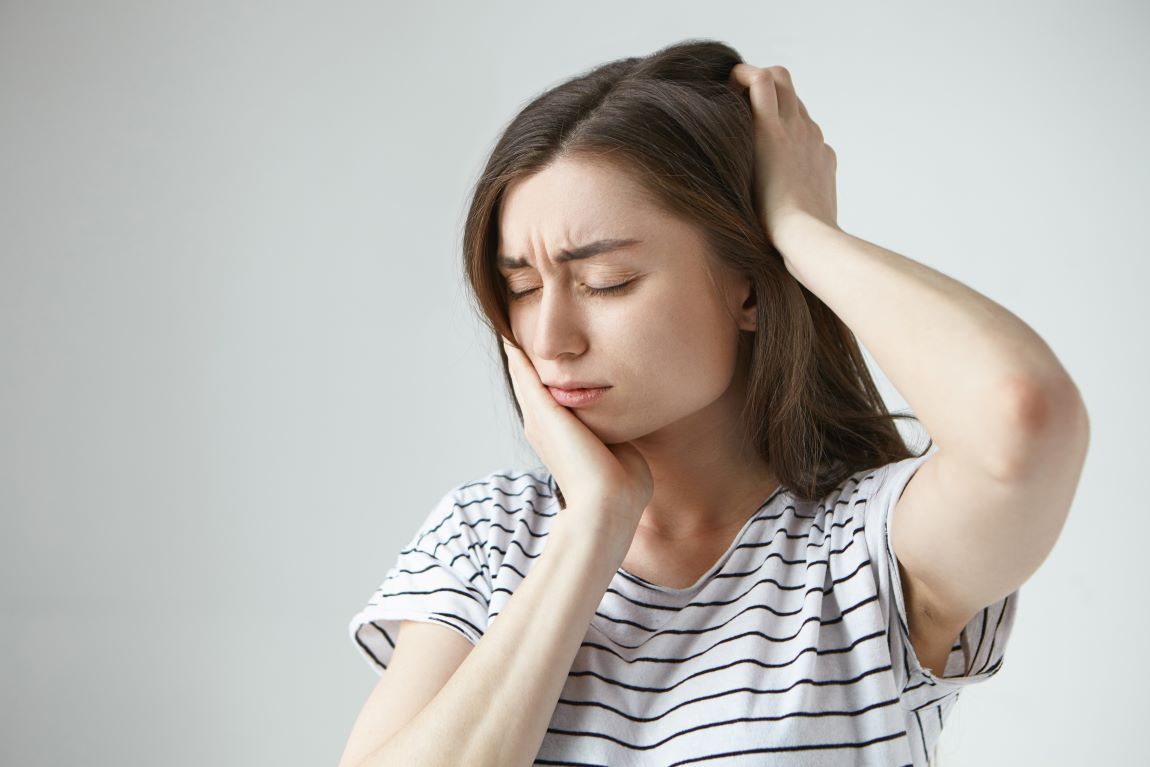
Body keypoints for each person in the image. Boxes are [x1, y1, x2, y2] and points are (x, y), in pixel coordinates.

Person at [338, 39, 1089, 767]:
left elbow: (1023, 416)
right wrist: (595, 523)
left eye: (607, 282)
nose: (551, 338)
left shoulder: (863, 550)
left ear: (749, 288)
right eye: (522, 288)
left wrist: (800, 230)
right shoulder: (488, 537)